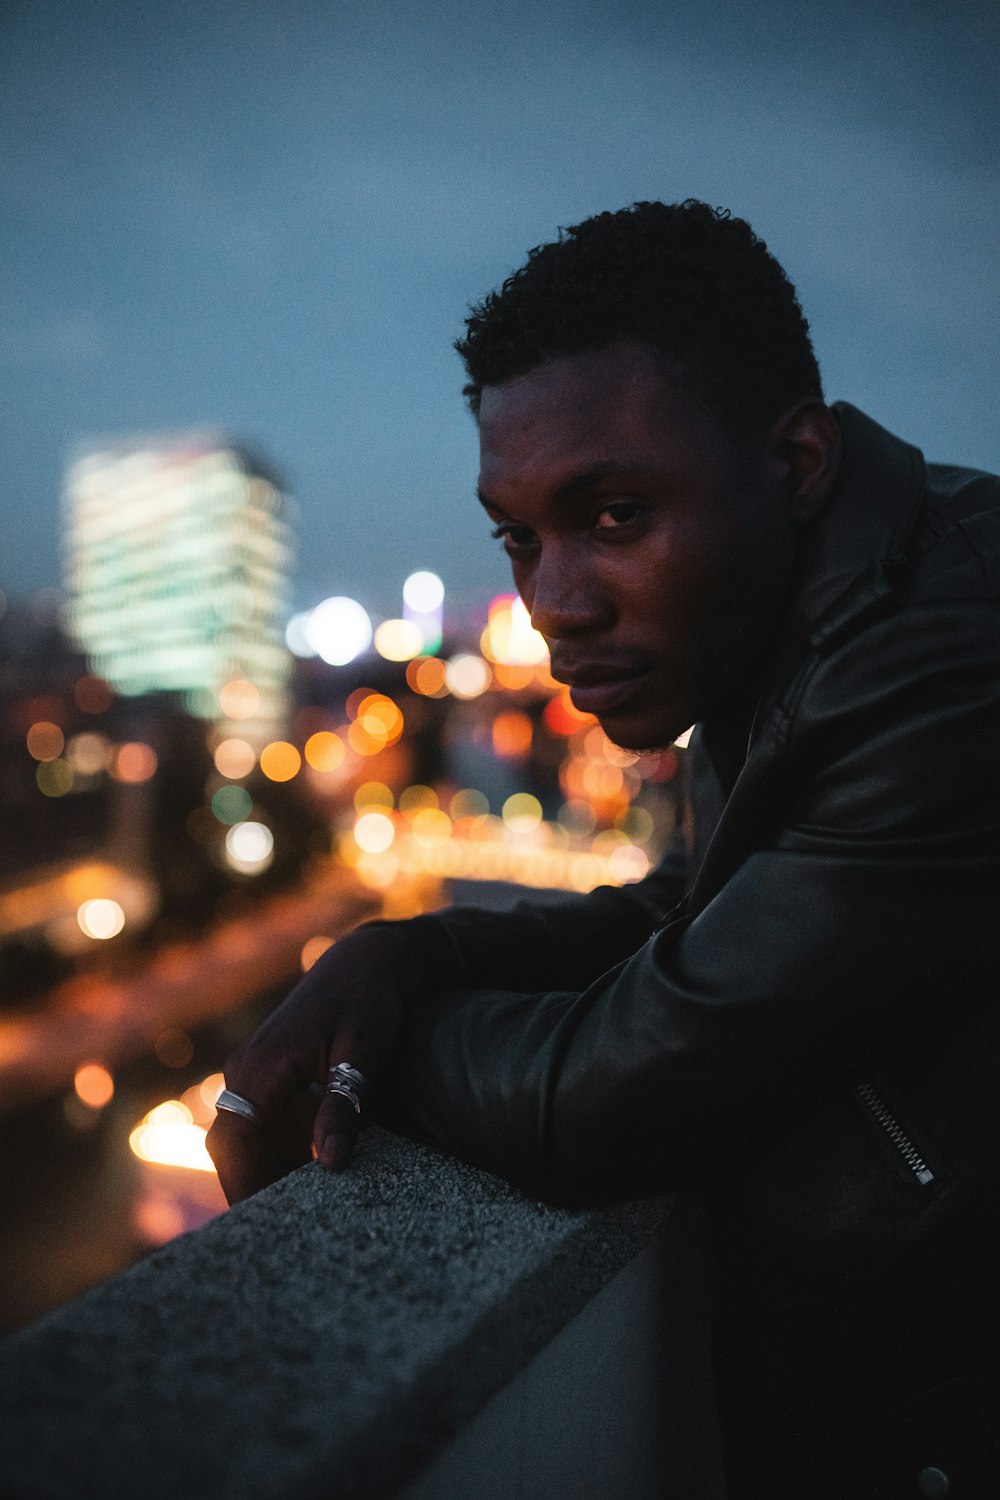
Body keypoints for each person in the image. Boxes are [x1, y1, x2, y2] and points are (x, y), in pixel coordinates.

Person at [207, 201, 1000, 1498]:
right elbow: (692, 911)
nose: (555, 606)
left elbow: (621, 1090)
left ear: (795, 462)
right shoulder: (794, 619)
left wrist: (369, 1047)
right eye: (520, 539)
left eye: (616, 515)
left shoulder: (950, 653)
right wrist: (406, 953)